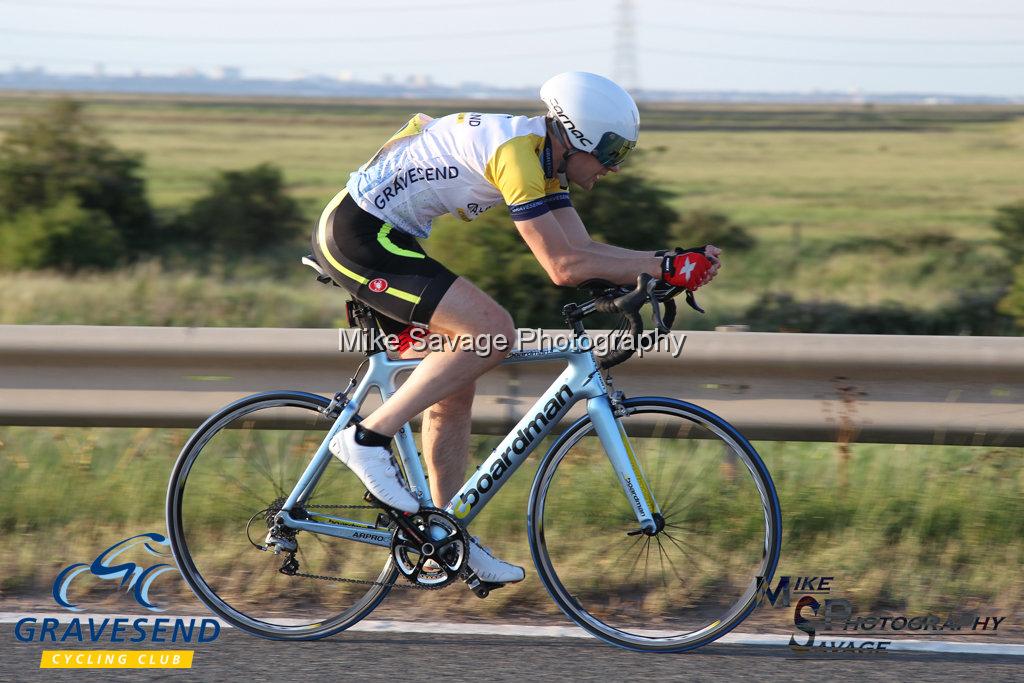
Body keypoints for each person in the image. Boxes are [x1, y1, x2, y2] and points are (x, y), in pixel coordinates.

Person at [310, 71, 720, 585]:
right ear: (578, 135)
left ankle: (442, 534)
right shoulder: (519, 155)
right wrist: (666, 266)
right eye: (612, 152)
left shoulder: (545, 158)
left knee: (457, 380)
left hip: (391, 237)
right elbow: (564, 266)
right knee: (493, 332)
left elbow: (585, 252)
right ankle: (367, 440)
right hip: (358, 236)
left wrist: (667, 263)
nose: (614, 168)